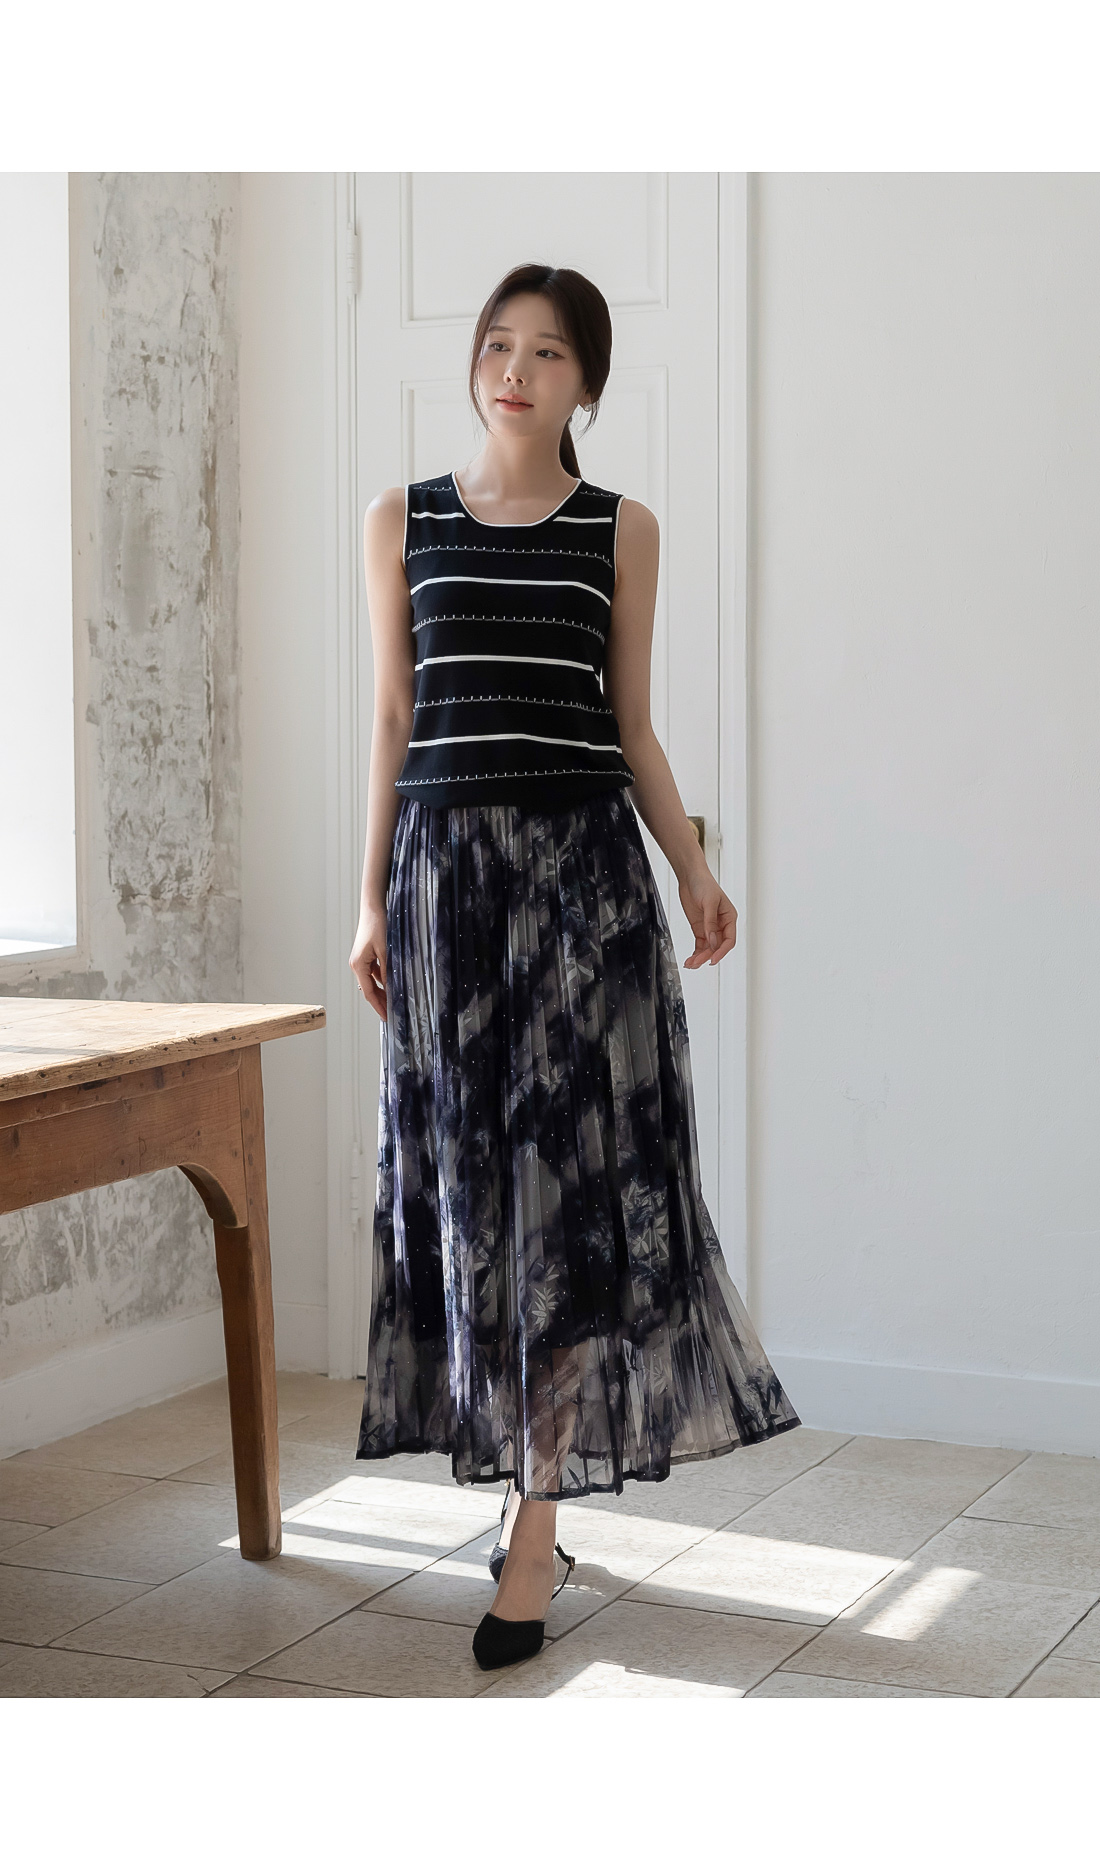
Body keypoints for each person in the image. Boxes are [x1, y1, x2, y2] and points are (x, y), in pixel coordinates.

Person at [349, 262, 799, 1672]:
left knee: (564, 1207)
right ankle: (519, 1485)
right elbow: (393, 719)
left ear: (585, 383)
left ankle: (535, 1525)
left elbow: (632, 724)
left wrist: (694, 869)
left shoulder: (621, 529)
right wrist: (368, 900)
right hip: (445, 888)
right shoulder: (401, 520)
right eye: (499, 344)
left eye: (547, 352)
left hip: (580, 889)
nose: (516, 370)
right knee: (472, 1197)